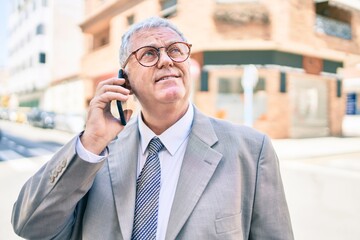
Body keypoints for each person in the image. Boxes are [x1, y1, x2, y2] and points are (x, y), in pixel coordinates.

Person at [12, 17, 294, 240]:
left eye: (175, 50)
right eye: (148, 53)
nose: (167, 60)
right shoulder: (96, 154)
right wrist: (92, 141)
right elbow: (30, 225)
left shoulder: (252, 151)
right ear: (125, 79)